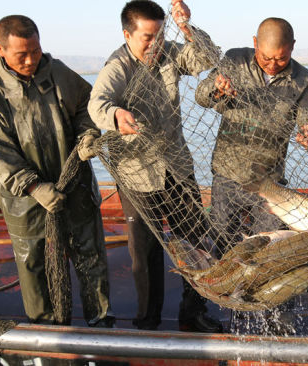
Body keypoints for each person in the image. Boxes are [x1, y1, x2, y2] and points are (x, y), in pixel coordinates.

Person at [88, 0, 221, 332]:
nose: (155, 44)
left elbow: (207, 57)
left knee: (195, 242)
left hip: (176, 165)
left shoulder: (171, 52)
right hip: (136, 173)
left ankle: (193, 312)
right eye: (147, 37)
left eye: (160, 35)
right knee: (145, 254)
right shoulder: (117, 66)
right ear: (127, 34)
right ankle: (148, 321)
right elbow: (97, 102)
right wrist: (116, 116)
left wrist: (187, 26)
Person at [0, 15, 114, 327]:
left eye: (36, 51)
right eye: (21, 55)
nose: (30, 60)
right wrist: (33, 187)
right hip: (25, 200)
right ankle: (45, 327)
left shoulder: (57, 71)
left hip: (74, 185)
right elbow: (0, 154)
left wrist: (86, 136)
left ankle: (102, 320)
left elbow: (87, 106)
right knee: (34, 263)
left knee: (90, 254)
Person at [195, 17, 308, 250]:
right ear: (255, 43)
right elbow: (201, 95)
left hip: (270, 180)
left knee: (268, 245)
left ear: (293, 46)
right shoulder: (234, 60)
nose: (273, 64)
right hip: (227, 173)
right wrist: (216, 89)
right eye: (266, 57)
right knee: (222, 242)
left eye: (281, 58)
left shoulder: (304, 79)